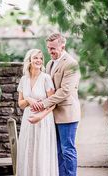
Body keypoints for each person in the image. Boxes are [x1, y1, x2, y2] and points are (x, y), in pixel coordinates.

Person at [31, 33, 81, 176]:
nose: (50, 51)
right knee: (57, 150)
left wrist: (43, 104)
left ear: (62, 46)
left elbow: (65, 91)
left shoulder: (71, 64)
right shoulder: (49, 63)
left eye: (53, 48)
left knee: (67, 150)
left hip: (67, 114)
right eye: (48, 48)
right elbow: (48, 87)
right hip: (52, 114)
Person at [17, 49, 58, 176]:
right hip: (28, 120)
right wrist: (28, 99)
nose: (39, 60)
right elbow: (21, 104)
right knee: (28, 150)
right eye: (35, 57)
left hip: (43, 120)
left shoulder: (46, 78)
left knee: (41, 150)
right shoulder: (24, 79)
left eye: (41, 58)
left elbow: (53, 102)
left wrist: (41, 115)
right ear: (29, 60)